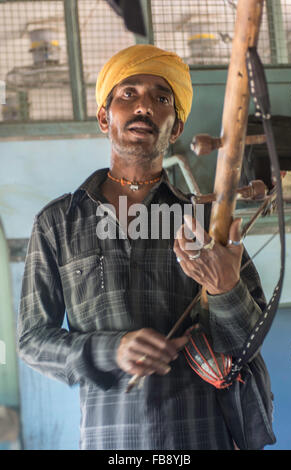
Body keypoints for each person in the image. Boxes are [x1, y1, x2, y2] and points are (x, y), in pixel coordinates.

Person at [17, 44, 268, 450]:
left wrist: (226, 290)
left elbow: (248, 345)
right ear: (104, 116)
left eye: (161, 98)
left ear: (177, 126)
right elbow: (31, 341)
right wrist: (109, 350)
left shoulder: (207, 221)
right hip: (109, 440)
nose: (145, 106)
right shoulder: (56, 223)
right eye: (128, 93)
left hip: (202, 436)